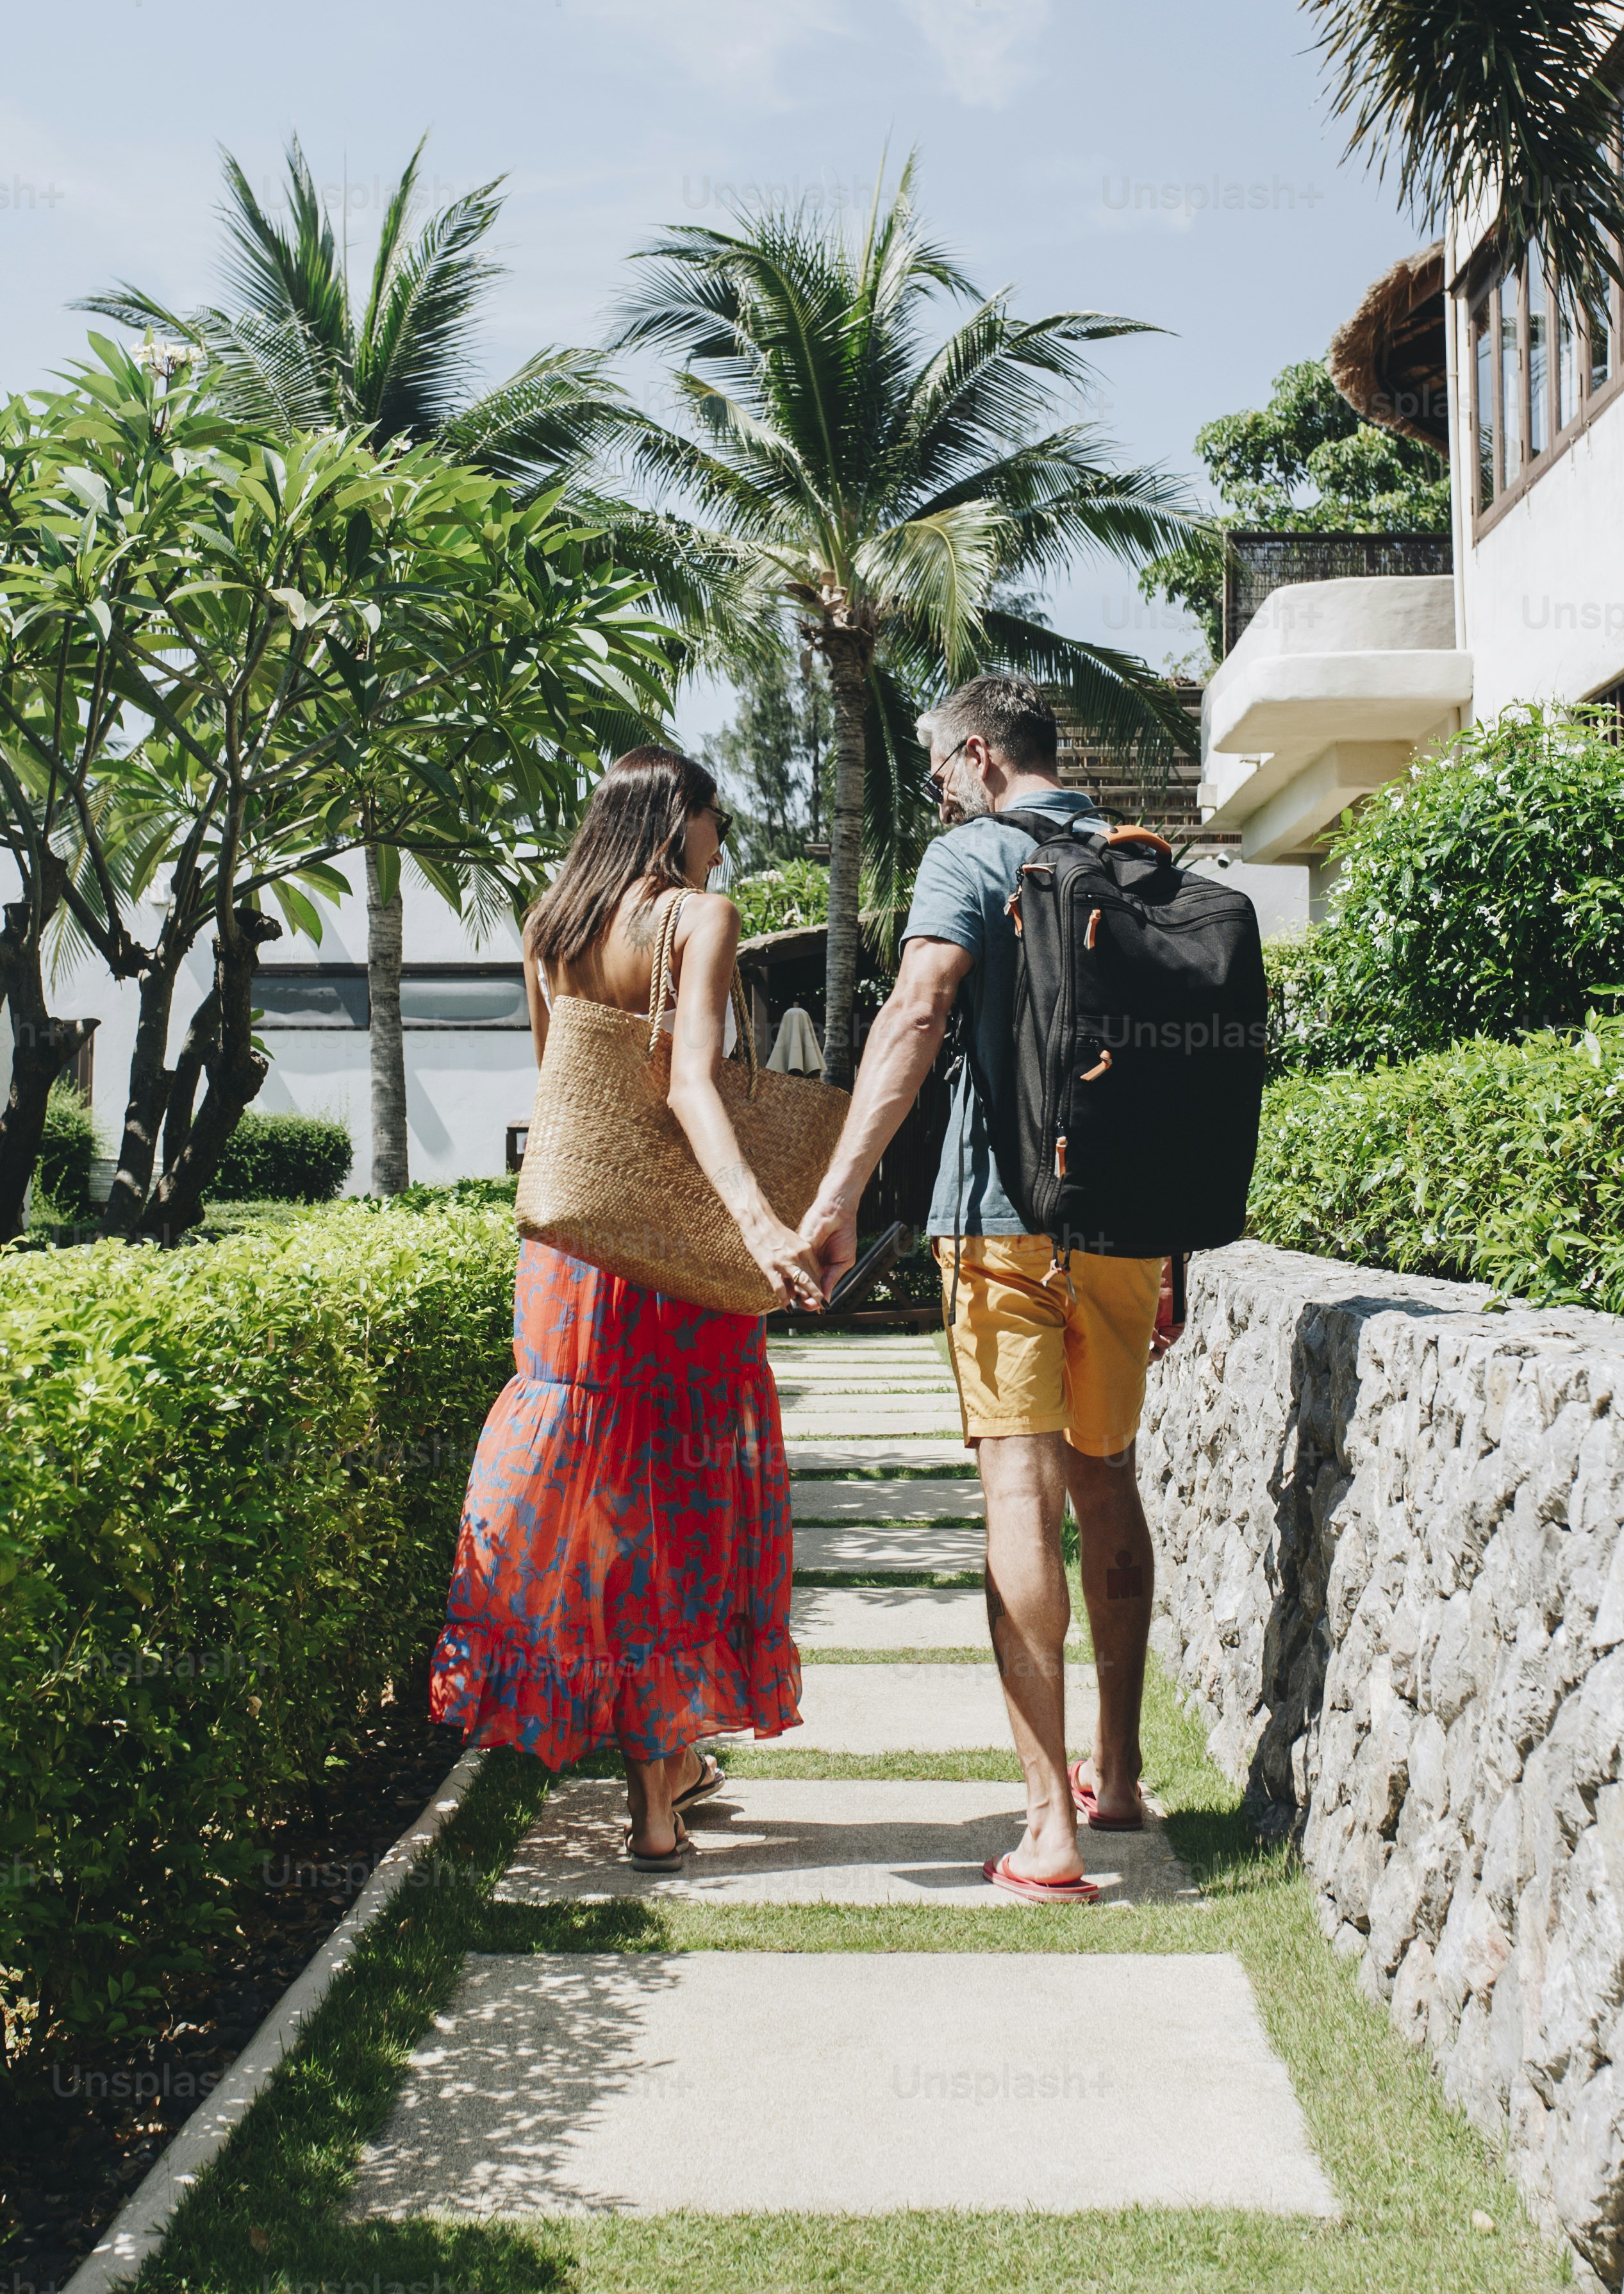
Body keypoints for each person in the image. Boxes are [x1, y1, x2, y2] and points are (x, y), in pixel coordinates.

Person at [797, 676, 1172, 1903]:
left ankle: (1046, 1833)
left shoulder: (970, 854)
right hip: (1126, 1224)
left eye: (937, 767)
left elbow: (915, 1013)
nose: (937, 788)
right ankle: (1115, 1778)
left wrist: (840, 1194)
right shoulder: (1136, 857)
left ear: (973, 757)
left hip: (1003, 1220)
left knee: (1020, 1481)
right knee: (1107, 1476)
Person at [430, 745, 823, 1868]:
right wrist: (757, 1223)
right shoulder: (701, 918)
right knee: (680, 1519)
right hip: (674, 1273)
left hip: (571, 1263)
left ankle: (664, 1777)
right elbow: (691, 1084)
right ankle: (658, 1799)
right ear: (677, 822)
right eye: (714, 826)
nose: (720, 848)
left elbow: (567, 1101)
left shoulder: (549, 923)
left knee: (607, 1516)